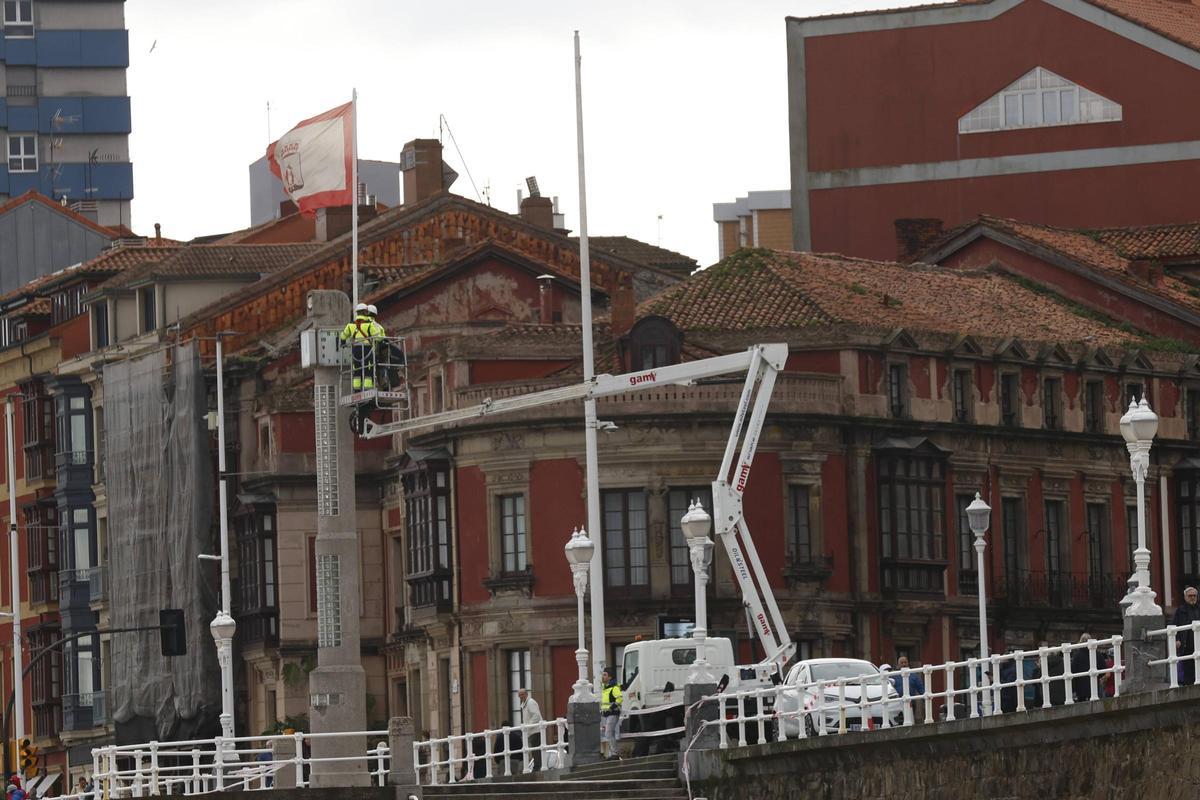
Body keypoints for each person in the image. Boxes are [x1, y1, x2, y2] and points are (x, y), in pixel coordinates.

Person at [339, 302, 386, 390]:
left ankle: (356, 389)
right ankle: (368, 388)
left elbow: (343, 336)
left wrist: (343, 342)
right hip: (367, 350)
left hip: (356, 350)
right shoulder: (369, 324)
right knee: (368, 369)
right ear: (365, 312)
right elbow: (378, 337)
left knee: (357, 369)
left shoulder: (350, 325)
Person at [1173, 586, 1200, 685]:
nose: (1192, 598)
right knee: (1188, 668)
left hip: (1198, 644)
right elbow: (1174, 625)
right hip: (1186, 644)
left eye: (1194, 596)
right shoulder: (1180, 610)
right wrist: (1177, 639)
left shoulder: (1199, 608)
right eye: (1190, 596)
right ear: (1185, 597)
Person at [517, 688, 543, 771]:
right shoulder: (525, 704)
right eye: (519, 695)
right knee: (534, 750)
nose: (521, 696)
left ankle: (537, 767)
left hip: (535, 730)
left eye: (522, 694)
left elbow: (536, 716)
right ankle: (537, 766)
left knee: (536, 750)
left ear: (526, 694)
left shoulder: (530, 702)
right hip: (532, 731)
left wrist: (528, 726)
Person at [600, 669, 623, 760]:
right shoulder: (606, 688)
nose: (603, 676)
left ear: (610, 677)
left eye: (605, 675)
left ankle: (614, 753)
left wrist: (612, 707)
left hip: (612, 713)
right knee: (610, 733)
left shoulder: (614, 687)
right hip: (606, 714)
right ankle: (613, 753)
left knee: (608, 733)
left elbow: (620, 698)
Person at [1070, 633, 1094, 702]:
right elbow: (1102, 667)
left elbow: (1073, 670)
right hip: (1093, 685)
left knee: (1081, 701)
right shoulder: (1096, 653)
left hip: (1080, 685)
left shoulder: (1077, 655)